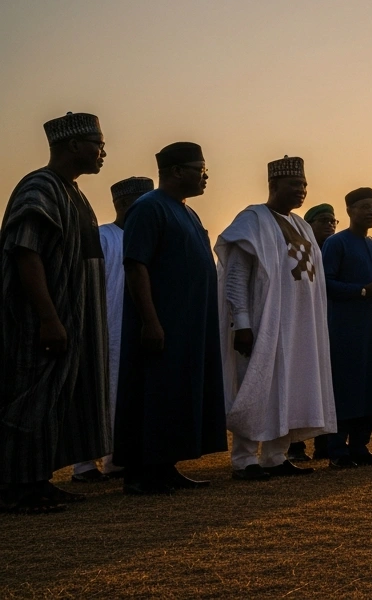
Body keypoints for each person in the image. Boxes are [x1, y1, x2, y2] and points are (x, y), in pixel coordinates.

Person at [0, 113, 109, 513]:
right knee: (29, 403)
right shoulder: (39, 187)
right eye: (98, 144)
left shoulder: (72, 192)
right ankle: (13, 489)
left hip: (69, 319)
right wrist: (48, 318)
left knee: (53, 403)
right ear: (74, 145)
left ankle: (37, 481)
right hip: (39, 322)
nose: (103, 152)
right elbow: (25, 252)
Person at [112, 143, 227, 495]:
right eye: (200, 169)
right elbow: (136, 265)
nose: (206, 176)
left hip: (188, 325)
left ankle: (165, 465)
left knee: (176, 394)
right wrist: (150, 321)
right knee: (153, 393)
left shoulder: (186, 212)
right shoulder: (148, 208)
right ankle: (142, 473)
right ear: (176, 171)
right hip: (162, 321)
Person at [216, 156, 336, 481]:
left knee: (289, 387)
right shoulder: (252, 219)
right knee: (255, 387)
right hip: (263, 323)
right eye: (294, 184)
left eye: (304, 185)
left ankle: (275, 455)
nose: (301, 190)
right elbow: (236, 276)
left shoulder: (302, 226)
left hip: (299, 325)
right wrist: (242, 323)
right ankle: (244, 459)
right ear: (273, 185)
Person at [71, 176, 152, 483]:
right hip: (104, 330)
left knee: (127, 396)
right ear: (123, 204)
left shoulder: (149, 237)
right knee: (95, 393)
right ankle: (83, 466)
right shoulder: (102, 237)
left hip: (138, 331)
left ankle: (118, 460)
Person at [321, 188, 372, 468]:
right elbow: (326, 284)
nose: (371, 212)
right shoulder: (336, 243)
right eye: (365, 207)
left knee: (371, 384)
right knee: (345, 384)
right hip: (345, 327)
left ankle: (360, 447)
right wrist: (363, 291)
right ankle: (337, 451)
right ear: (349, 211)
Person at [287, 202, 337, 463]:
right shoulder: (300, 248)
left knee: (325, 386)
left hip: (331, 327)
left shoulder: (336, 249)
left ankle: (324, 443)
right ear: (309, 225)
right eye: (323, 220)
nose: (330, 225)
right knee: (300, 384)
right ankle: (295, 445)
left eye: (333, 221)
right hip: (303, 329)